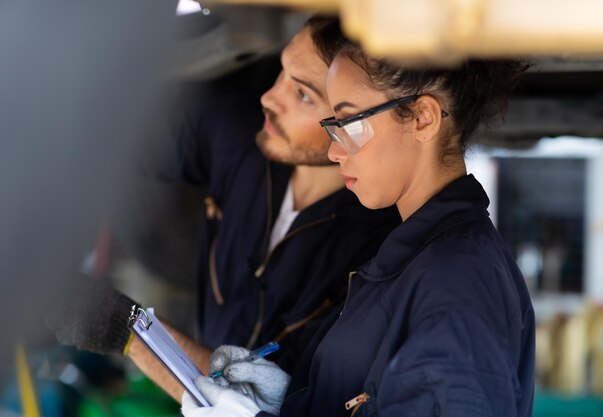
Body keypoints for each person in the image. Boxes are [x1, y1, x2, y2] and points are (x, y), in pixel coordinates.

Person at [181, 18, 535, 417]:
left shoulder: (458, 281)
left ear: (423, 117)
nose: (335, 153)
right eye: (333, 127)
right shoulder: (410, 261)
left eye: (348, 123)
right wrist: (294, 403)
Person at [47, 16, 400, 402]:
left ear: (353, 122)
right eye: (281, 72)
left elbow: (261, 403)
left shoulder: (376, 256)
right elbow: (118, 144)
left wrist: (126, 328)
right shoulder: (242, 129)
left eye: (302, 94)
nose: (269, 96)